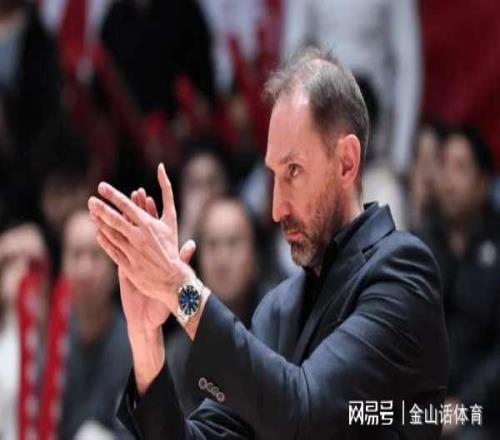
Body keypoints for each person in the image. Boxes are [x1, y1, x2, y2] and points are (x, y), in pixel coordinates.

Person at [88, 47, 449, 439]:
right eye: (273, 176)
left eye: (293, 170)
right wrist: (146, 339)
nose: (277, 209)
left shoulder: (402, 272)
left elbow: (307, 415)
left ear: (346, 162)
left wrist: (181, 291)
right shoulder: (277, 310)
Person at [416, 126, 500, 439]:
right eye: (444, 166)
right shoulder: (418, 243)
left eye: (460, 168)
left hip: (480, 410)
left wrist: (465, 404)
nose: (448, 182)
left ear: (483, 183)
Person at [59, 210, 131, 439]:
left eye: (95, 255)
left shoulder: (135, 346)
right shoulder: (47, 338)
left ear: (114, 266)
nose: (85, 269)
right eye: (76, 254)